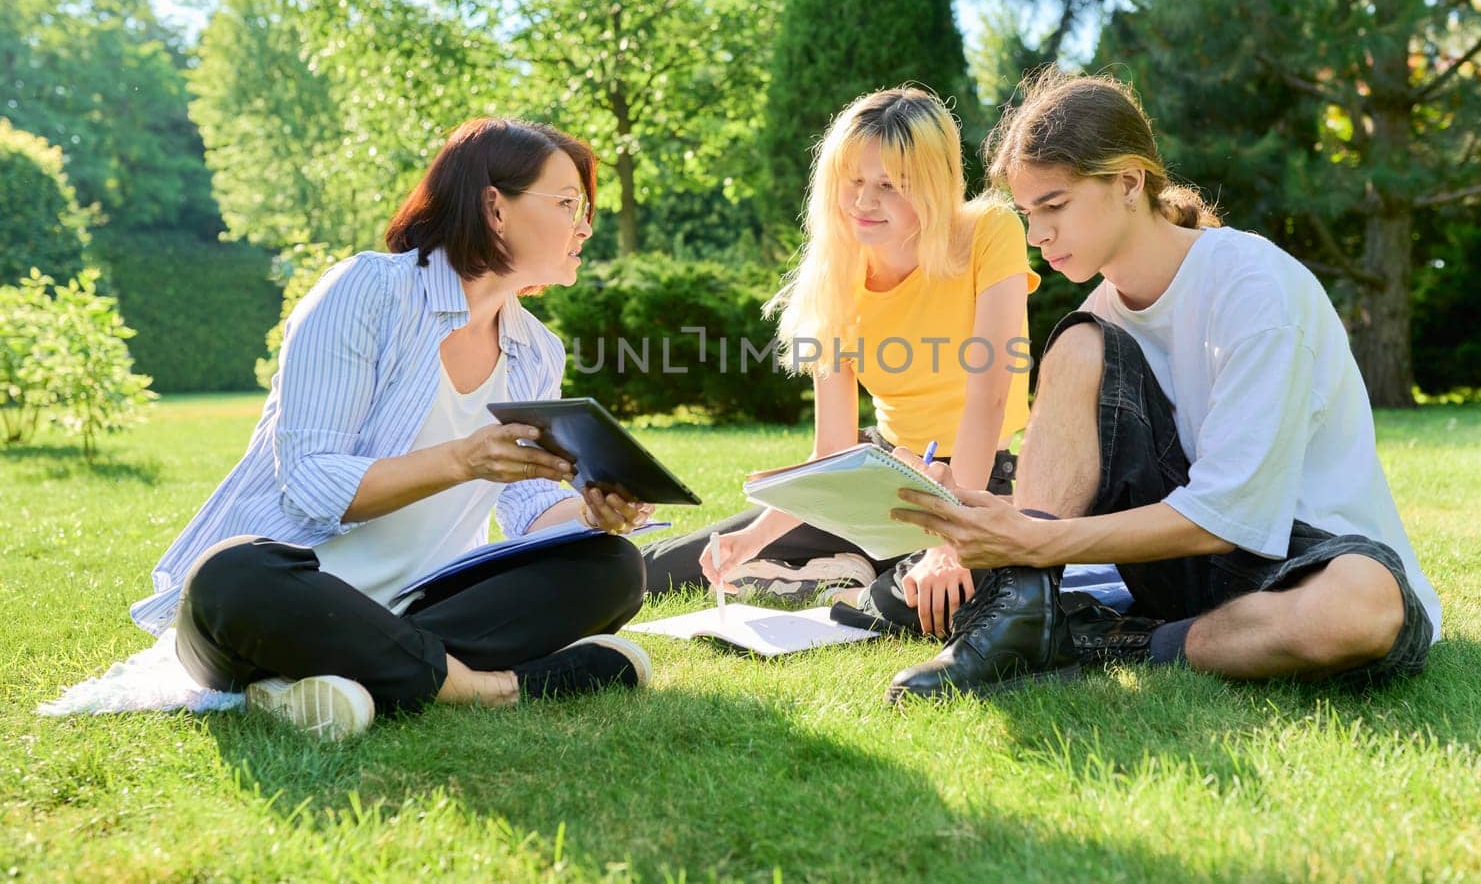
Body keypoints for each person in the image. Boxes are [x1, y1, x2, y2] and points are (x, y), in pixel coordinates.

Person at [886, 69, 1441, 701]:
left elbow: (1227, 515)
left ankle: (1123, 642)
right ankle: (1022, 610)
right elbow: (1080, 486)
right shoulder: (1100, 314)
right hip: (1176, 565)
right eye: (1026, 213)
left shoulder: (1255, 287)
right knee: (1078, 339)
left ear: (1128, 182)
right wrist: (976, 527)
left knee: (1358, 612)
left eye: (1054, 206)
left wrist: (1041, 540)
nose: (1036, 235)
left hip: (1306, 554)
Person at [130, 118, 656, 738]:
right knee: (230, 575)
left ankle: (335, 677)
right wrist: (462, 460)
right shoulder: (367, 290)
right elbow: (310, 482)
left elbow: (528, 501)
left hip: (423, 605)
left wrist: (592, 515)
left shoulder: (535, 350)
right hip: (290, 597)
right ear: (495, 207)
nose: (585, 225)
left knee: (613, 566)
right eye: (568, 203)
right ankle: (496, 689)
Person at [640, 87, 1041, 639]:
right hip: (877, 473)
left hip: (972, 481)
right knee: (667, 567)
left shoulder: (990, 232)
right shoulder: (833, 275)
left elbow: (989, 399)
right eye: (852, 181)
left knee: (929, 605)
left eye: (888, 185)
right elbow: (831, 452)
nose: (863, 202)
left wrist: (953, 540)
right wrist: (752, 539)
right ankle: (815, 567)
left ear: (931, 185)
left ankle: (853, 580)